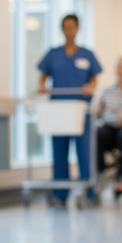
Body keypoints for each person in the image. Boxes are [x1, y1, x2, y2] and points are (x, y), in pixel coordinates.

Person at [37, 14, 102, 206]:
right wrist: (42, 86)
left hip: (81, 110)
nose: (69, 31)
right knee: (59, 153)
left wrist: (90, 86)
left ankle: (88, 192)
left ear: (77, 29)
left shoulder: (86, 54)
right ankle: (60, 194)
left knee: (85, 152)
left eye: (72, 27)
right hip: (58, 110)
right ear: (62, 30)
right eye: (65, 27)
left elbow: (94, 79)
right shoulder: (53, 53)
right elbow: (42, 77)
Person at [96, 56, 122, 196]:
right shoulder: (107, 91)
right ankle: (99, 172)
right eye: (119, 68)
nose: (121, 71)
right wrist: (97, 110)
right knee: (97, 134)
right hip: (110, 126)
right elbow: (100, 110)